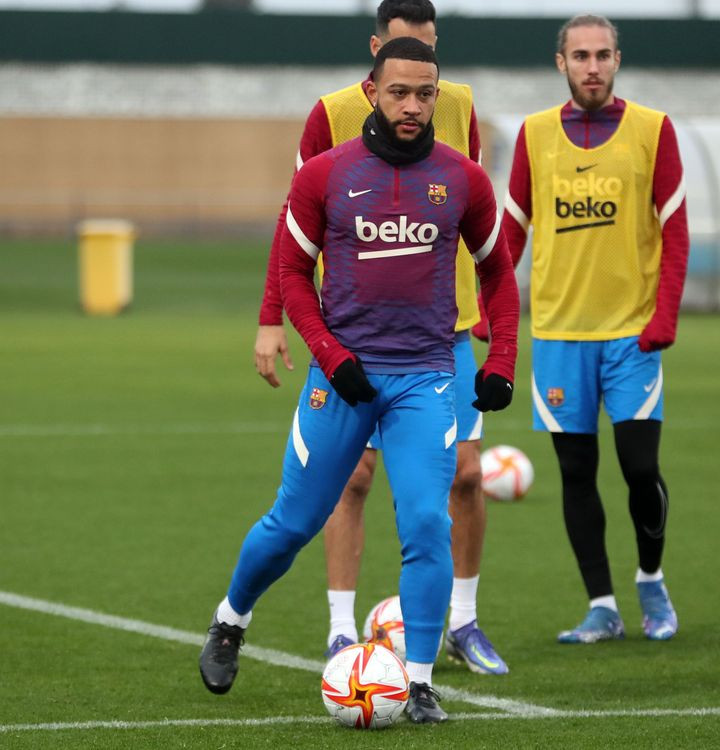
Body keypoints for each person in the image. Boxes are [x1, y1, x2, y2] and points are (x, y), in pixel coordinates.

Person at [199, 38, 520, 724]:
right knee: (293, 523)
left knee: (428, 522)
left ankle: (422, 681)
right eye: (399, 92)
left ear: (439, 97)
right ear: (372, 91)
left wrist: (500, 362)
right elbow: (289, 271)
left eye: (424, 94)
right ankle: (231, 618)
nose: (412, 106)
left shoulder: (462, 177)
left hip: (426, 378)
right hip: (339, 379)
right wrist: (328, 352)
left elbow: (497, 270)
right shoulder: (324, 174)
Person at [499, 14, 689, 644]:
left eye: (603, 55)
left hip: (632, 334)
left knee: (639, 466)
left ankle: (651, 580)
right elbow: (512, 234)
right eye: (580, 55)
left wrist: (665, 315)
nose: (592, 66)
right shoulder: (533, 135)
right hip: (558, 335)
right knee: (576, 472)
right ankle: (602, 606)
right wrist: (487, 304)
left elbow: (675, 232)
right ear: (561, 63)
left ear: (617, 59)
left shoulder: (653, 131)